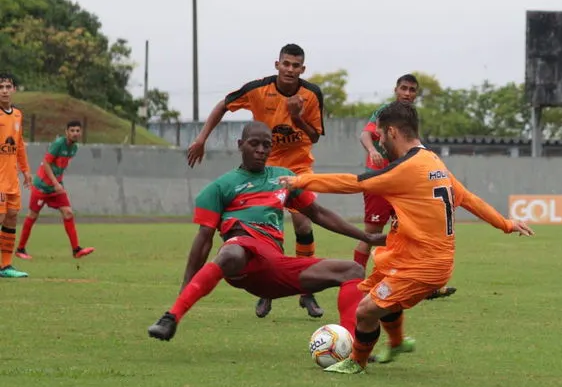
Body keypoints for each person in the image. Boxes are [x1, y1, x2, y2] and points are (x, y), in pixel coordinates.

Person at [279, 101, 534, 374]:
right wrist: (506, 223)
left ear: (392, 132)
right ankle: (398, 342)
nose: (379, 144)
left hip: (423, 264)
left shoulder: (406, 168)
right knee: (379, 290)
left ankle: (356, 362)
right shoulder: (434, 162)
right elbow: (469, 199)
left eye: (379, 136)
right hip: (408, 255)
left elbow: (354, 183)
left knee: (365, 311)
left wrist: (302, 181)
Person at [147, 121, 387, 342]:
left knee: (352, 270)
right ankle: (171, 318)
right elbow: (203, 240)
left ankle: (352, 346)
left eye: (266, 145)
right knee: (232, 252)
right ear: (240, 145)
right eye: (254, 144)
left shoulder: (283, 179)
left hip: (274, 266)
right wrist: (186, 288)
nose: (261, 150)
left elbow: (318, 214)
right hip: (242, 260)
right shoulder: (220, 188)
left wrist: (365, 236)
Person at [186, 44, 327, 319]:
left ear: (302, 69)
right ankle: (267, 289)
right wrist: (201, 139)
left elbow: (316, 136)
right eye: (286, 64)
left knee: (303, 223)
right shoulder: (258, 90)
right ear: (277, 65)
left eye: (295, 66)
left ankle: (306, 291)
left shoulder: (311, 94)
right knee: (266, 225)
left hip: (298, 165)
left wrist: (297, 117)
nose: (290, 69)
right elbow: (223, 105)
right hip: (266, 166)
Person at [355, 73, 456, 301]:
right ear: (396, 90)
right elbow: (364, 134)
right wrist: (372, 150)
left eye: (412, 90)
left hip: (404, 181)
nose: (407, 93)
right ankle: (354, 278)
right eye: (404, 88)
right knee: (372, 232)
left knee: (409, 230)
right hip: (381, 179)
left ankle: (420, 281)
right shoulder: (385, 111)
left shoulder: (410, 118)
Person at [15, 120, 95, 260]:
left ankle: (76, 250)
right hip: (42, 186)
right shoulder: (58, 144)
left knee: (68, 213)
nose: (75, 133)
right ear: (66, 132)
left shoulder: (74, 148)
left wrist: (59, 183)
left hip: (56, 186)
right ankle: (20, 249)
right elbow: (46, 163)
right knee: (32, 216)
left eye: (77, 131)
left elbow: (60, 166)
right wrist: (54, 182)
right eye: (72, 131)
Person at [0, 72, 32, 279]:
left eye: (7, 87)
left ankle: (6, 266)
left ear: (14, 89)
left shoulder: (18, 114)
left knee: (11, 218)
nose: (4, 90)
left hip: (12, 180)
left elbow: (19, 146)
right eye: (1, 87)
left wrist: (27, 172)